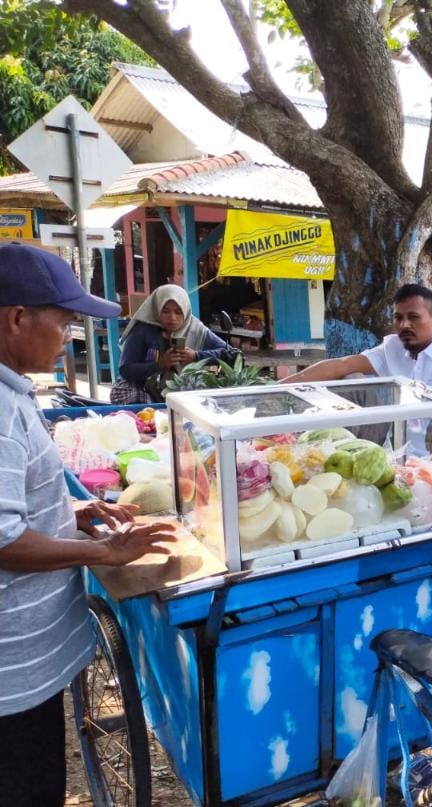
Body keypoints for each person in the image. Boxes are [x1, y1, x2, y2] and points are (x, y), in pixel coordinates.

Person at [0, 244, 176, 807]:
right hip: (11, 679)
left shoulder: (15, 391)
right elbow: (3, 540)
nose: (69, 334)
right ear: (17, 318)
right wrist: (104, 554)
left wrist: (70, 512)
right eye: (65, 321)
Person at [284, 283, 432, 414]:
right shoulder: (391, 348)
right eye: (398, 317)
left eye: (413, 317)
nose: (404, 325)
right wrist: (275, 388)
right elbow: (341, 366)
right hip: (400, 453)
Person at [111, 284, 235, 403]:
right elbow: (125, 369)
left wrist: (196, 356)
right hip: (140, 388)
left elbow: (230, 353)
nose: (172, 318)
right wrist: (159, 365)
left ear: (185, 312)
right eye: (165, 311)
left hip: (182, 389)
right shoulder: (143, 330)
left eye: (178, 312)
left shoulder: (195, 329)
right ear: (157, 308)